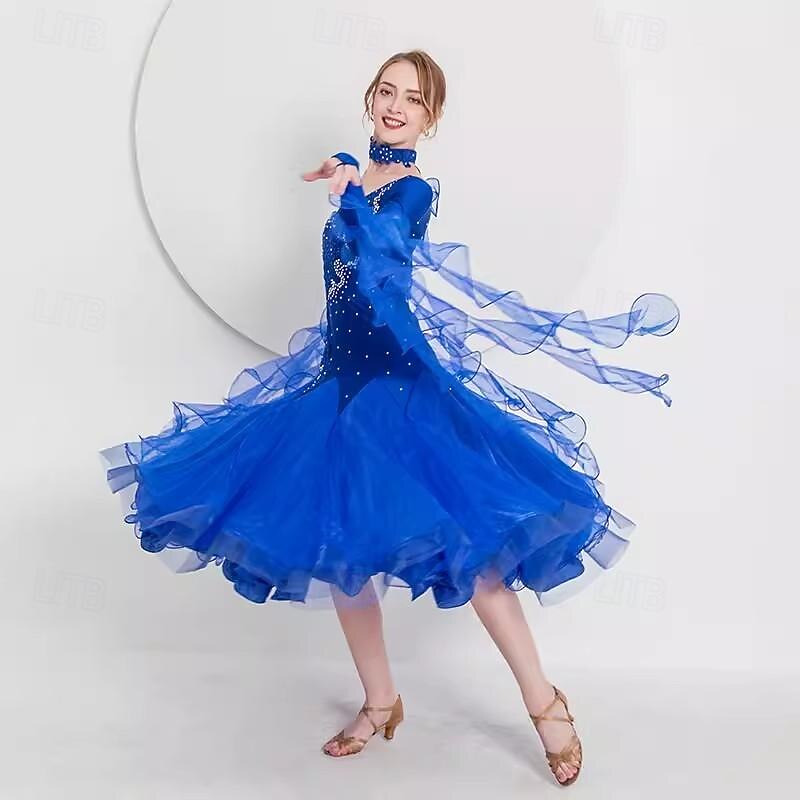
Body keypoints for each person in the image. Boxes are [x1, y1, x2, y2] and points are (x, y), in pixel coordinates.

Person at [99, 50, 679, 786]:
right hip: (341, 389)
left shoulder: (411, 191)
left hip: (403, 390)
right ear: (370, 98)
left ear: (431, 119)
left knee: (478, 562)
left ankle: (546, 703)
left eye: (413, 98)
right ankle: (381, 702)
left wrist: (348, 190)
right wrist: (347, 171)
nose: (396, 105)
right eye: (386, 91)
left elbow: (380, 255)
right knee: (344, 551)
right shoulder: (361, 175)